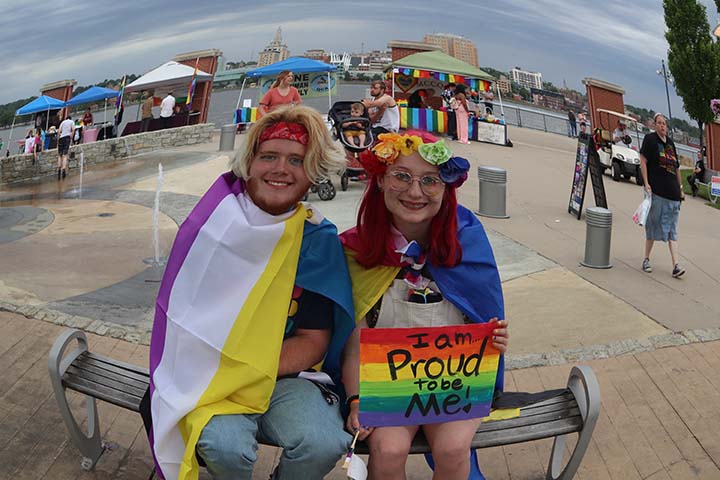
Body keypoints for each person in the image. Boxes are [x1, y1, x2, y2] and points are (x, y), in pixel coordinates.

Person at [144, 105, 355, 480]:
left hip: (285, 378)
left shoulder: (316, 240)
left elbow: (313, 340)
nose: (280, 169)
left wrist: (248, 368)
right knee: (225, 447)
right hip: (208, 379)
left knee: (324, 442)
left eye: (296, 160)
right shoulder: (214, 230)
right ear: (249, 162)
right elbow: (179, 320)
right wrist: (221, 371)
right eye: (268, 156)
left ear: (312, 174)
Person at [340, 131, 509, 479]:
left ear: (446, 189)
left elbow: (482, 315)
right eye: (401, 176)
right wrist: (356, 399)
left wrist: (494, 340)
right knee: (388, 450)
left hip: (453, 385)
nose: (415, 192)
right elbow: (354, 344)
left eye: (430, 181)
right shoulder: (357, 251)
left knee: (452, 448)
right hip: (388, 385)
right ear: (381, 182)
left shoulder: (467, 242)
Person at [640, 113, 685, 278]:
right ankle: (646, 259)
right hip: (657, 193)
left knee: (672, 230)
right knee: (652, 226)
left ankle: (676, 265)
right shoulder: (650, 140)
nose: (662, 126)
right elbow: (643, 160)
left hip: (673, 196)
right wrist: (646, 183)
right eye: (659, 123)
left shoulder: (671, 144)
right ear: (654, 125)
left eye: (664, 123)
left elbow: (677, 168)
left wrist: (680, 189)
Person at [57, 115, 74, 179]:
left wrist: (58, 140)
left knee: (59, 155)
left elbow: (59, 132)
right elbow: (73, 129)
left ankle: (59, 170)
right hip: (67, 138)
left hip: (61, 138)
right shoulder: (71, 122)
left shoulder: (62, 122)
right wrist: (71, 137)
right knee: (65, 155)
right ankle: (63, 169)